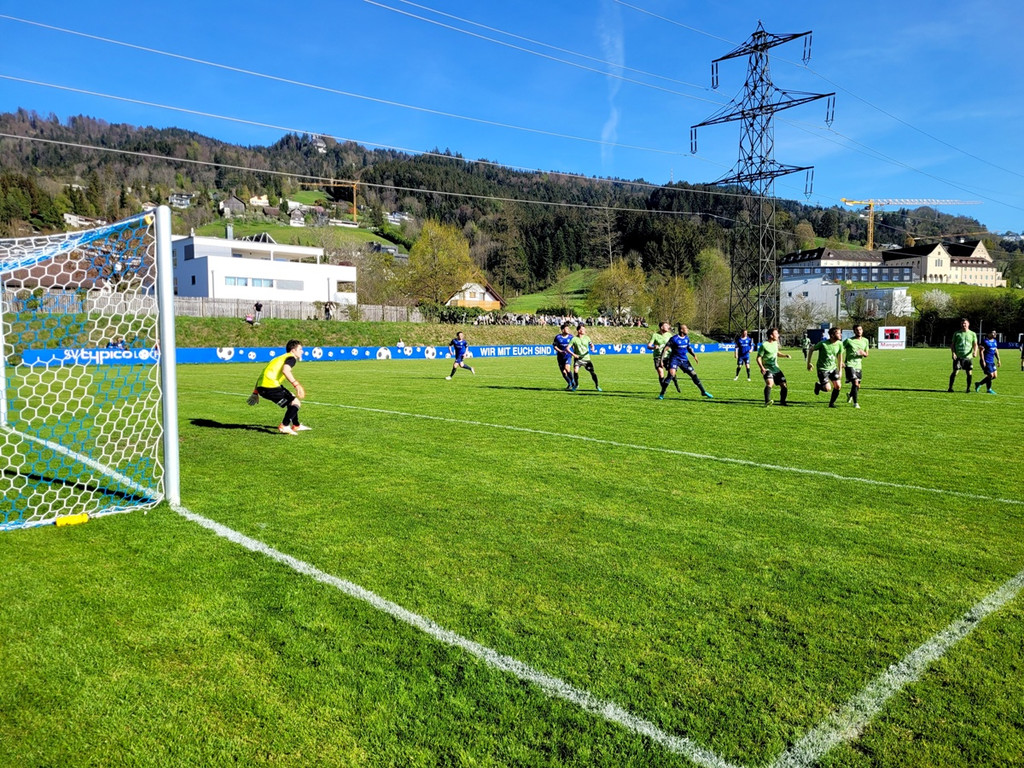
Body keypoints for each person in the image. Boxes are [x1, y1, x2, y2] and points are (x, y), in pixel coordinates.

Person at [250, 339, 310, 434]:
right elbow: (286, 370)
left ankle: (296, 425)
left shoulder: (278, 358)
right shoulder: (291, 358)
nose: (302, 351)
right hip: (271, 386)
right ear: (293, 350)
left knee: (291, 399)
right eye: (300, 349)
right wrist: (297, 385)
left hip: (263, 387)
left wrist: (255, 392)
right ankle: (284, 426)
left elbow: (262, 375)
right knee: (296, 403)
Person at [658, 323, 712, 400]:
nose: (688, 330)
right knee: (671, 375)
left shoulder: (686, 338)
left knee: (694, 375)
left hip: (684, 360)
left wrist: (694, 355)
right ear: (681, 330)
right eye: (686, 328)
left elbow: (689, 348)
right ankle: (662, 393)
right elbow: (665, 349)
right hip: (674, 360)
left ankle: (703, 391)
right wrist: (661, 360)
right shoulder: (674, 339)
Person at [808, 326, 844, 408]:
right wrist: (809, 363)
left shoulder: (840, 344)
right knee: (827, 388)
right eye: (838, 333)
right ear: (832, 335)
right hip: (823, 369)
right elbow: (811, 349)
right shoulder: (823, 343)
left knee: (838, 386)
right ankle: (818, 386)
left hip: (833, 368)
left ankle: (831, 403)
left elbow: (840, 357)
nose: (840, 335)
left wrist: (840, 370)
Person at [757, 327, 792, 407]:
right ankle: (767, 401)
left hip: (776, 368)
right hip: (767, 368)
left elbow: (777, 353)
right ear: (771, 335)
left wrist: (785, 355)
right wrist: (762, 367)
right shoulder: (764, 345)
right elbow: (758, 358)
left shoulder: (775, 343)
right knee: (770, 383)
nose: (778, 335)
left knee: (784, 385)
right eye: (776, 333)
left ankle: (782, 401)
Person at [843, 324, 870, 409]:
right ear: (854, 331)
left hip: (858, 365)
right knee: (855, 382)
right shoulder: (849, 341)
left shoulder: (865, 341)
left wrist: (863, 353)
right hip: (849, 364)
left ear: (862, 330)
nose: (859, 331)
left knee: (857, 386)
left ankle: (850, 395)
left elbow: (867, 354)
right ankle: (856, 403)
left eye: (860, 329)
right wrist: (841, 362)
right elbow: (840, 350)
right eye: (857, 330)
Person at [948, 318, 979, 393]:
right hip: (958, 357)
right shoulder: (957, 333)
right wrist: (953, 353)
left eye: (965, 323)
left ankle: (968, 389)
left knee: (969, 373)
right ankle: (950, 388)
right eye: (962, 323)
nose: (963, 325)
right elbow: (952, 344)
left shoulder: (972, 334)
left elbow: (975, 344)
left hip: (968, 357)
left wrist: (975, 351)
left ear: (968, 324)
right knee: (955, 372)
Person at [569, 324, 601, 391]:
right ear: (579, 330)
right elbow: (567, 348)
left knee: (592, 373)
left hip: (586, 359)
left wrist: (592, 348)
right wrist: (573, 354)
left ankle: (597, 385)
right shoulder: (574, 339)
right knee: (575, 371)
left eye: (584, 329)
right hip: (578, 359)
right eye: (583, 329)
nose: (584, 330)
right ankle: (576, 385)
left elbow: (591, 345)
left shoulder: (587, 338)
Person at [647, 321, 675, 389]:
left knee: (671, 373)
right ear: (661, 327)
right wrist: (653, 347)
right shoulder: (655, 335)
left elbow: (674, 344)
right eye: (666, 325)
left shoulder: (669, 335)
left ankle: (672, 382)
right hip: (658, 356)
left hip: (668, 356)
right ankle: (663, 389)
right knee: (660, 373)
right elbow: (648, 346)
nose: (668, 327)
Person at [976, 330, 1000, 394]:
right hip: (986, 361)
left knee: (995, 376)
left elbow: (995, 350)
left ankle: (979, 383)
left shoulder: (995, 341)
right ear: (989, 334)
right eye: (993, 333)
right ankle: (989, 389)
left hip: (992, 361)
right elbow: (981, 351)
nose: (995, 334)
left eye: (995, 333)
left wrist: (998, 359)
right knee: (990, 375)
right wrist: (983, 361)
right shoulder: (985, 341)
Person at [552, 322, 575, 390]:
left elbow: (573, 346)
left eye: (568, 328)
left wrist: (574, 353)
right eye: (566, 328)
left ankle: (573, 381)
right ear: (562, 330)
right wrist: (561, 351)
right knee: (563, 372)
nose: (568, 330)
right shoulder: (558, 337)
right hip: (560, 356)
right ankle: (569, 383)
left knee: (567, 368)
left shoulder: (571, 337)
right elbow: (555, 346)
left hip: (568, 355)